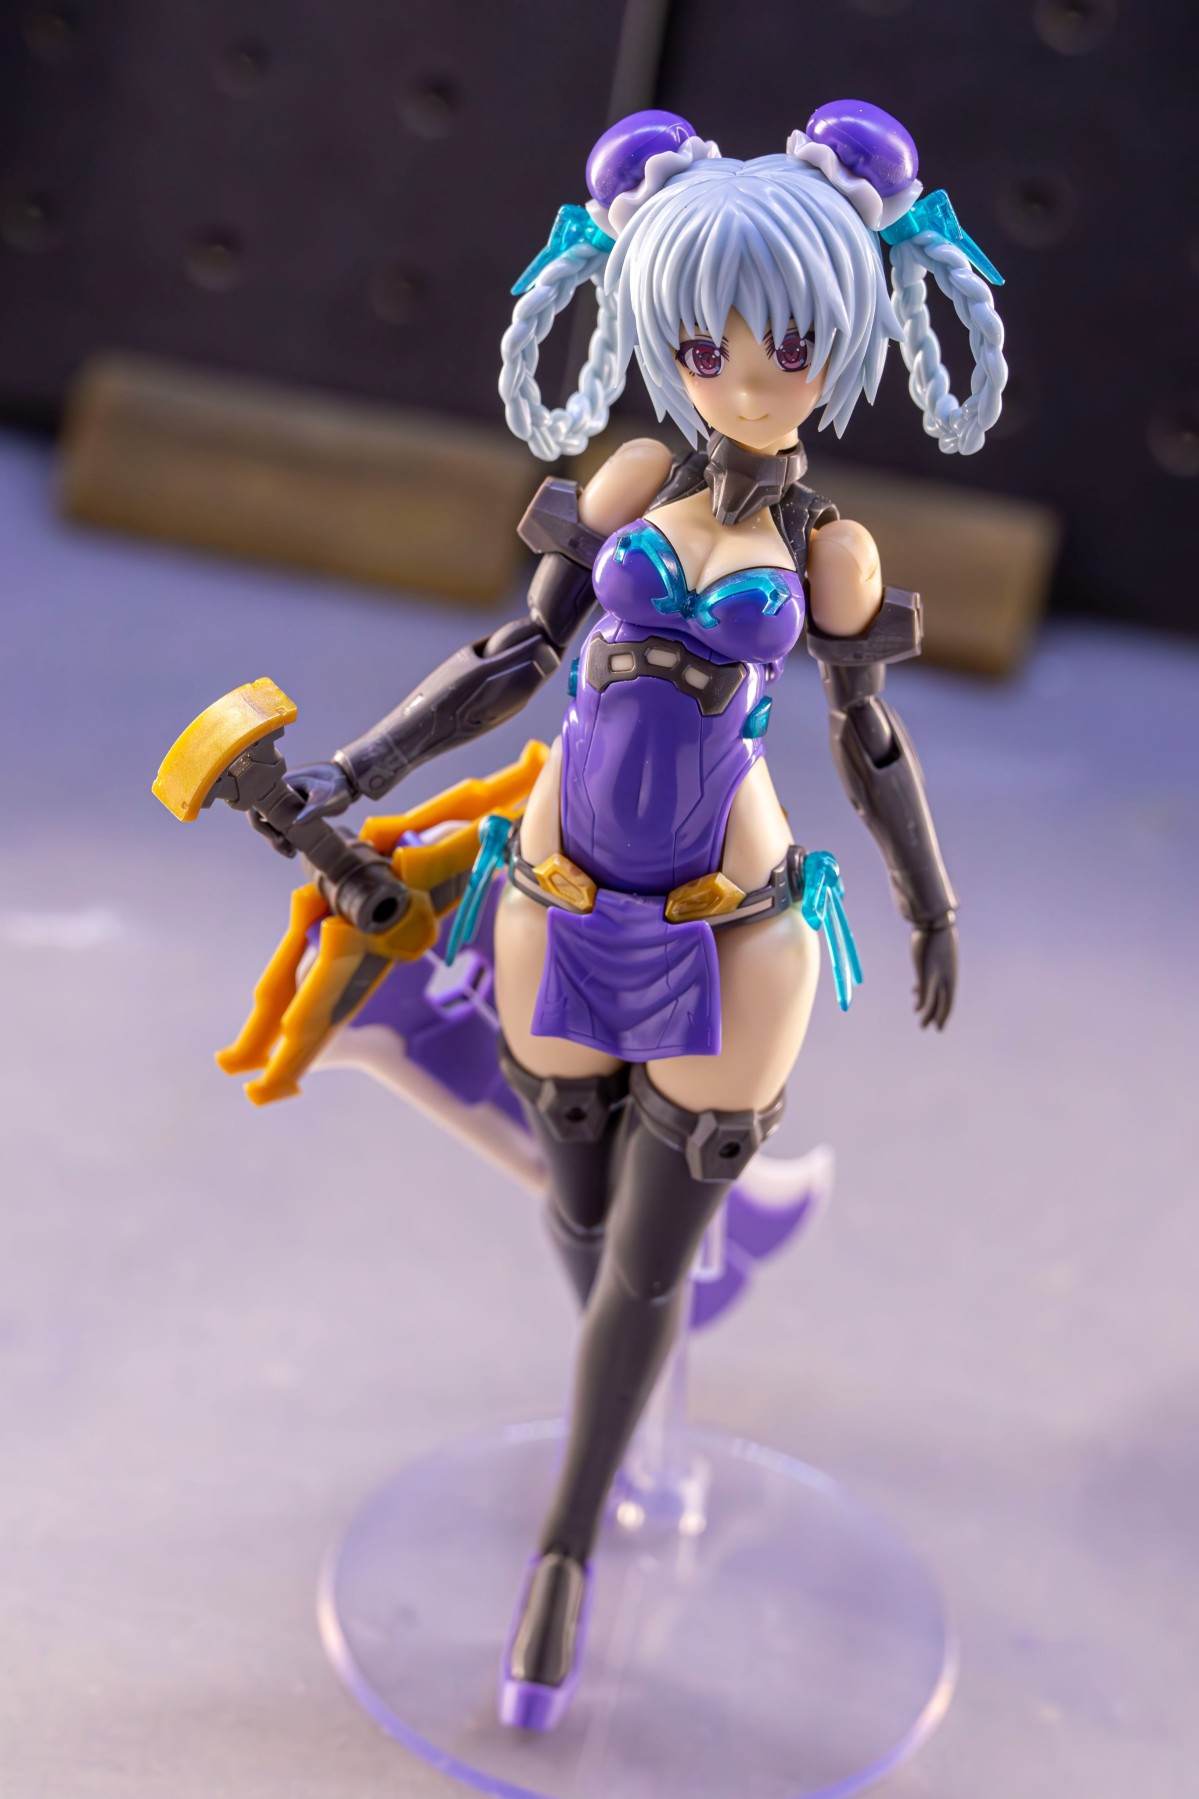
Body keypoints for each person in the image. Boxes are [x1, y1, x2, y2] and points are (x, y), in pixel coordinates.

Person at [259, 101, 1007, 1729]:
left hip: (732, 932)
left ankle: (567, 1547)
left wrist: (928, 899)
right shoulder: (636, 477)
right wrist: (362, 767)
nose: (746, 376)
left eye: (789, 343)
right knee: (587, 1216)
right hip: (555, 898)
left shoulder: (829, 550)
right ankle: (634, 1388)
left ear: (846, 335)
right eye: (704, 338)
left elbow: (868, 737)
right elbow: (511, 658)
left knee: (645, 1274)